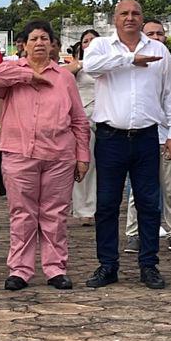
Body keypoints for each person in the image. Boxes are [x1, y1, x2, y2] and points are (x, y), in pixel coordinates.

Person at [0, 20, 89, 290]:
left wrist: (82, 155)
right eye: (34, 39)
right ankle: (20, 269)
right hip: (19, 154)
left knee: (55, 214)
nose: (39, 43)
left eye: (44, 38)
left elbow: (78, 119)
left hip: (59, 155)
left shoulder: (64, 76)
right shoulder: (12, 72)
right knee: (22, 213)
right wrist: (28, 76)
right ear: (24, 45)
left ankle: (55, 268)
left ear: (53, 44)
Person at [88, 0, 171, 289]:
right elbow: (90, 67)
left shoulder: (159, 50)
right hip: (109, 137)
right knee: (106, 205)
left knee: (149, 205)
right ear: (114, 19)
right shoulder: (102, 46)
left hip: (146, 137)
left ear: (142, 18)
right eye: (124, 13)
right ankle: (107, 265)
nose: (130, 18)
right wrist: (129, 60)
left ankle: (149, 265)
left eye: (135, 13)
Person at [125, 19, 171, 254]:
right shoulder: (134, 65)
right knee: (139, 189)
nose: (156, 37)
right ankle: (134, 234)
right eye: (150, 34)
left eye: (159, 33)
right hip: (142, 136)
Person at [65, 29, 101, 218]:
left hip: (105, 116)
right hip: (85, 117)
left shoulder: (108, 63)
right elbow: (61, 74)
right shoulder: (78, 65)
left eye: (93, 40)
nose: (89, 43)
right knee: (87, 161)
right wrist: (80, 64)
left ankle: (99, 203)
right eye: (85, 41)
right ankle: (84, 208)